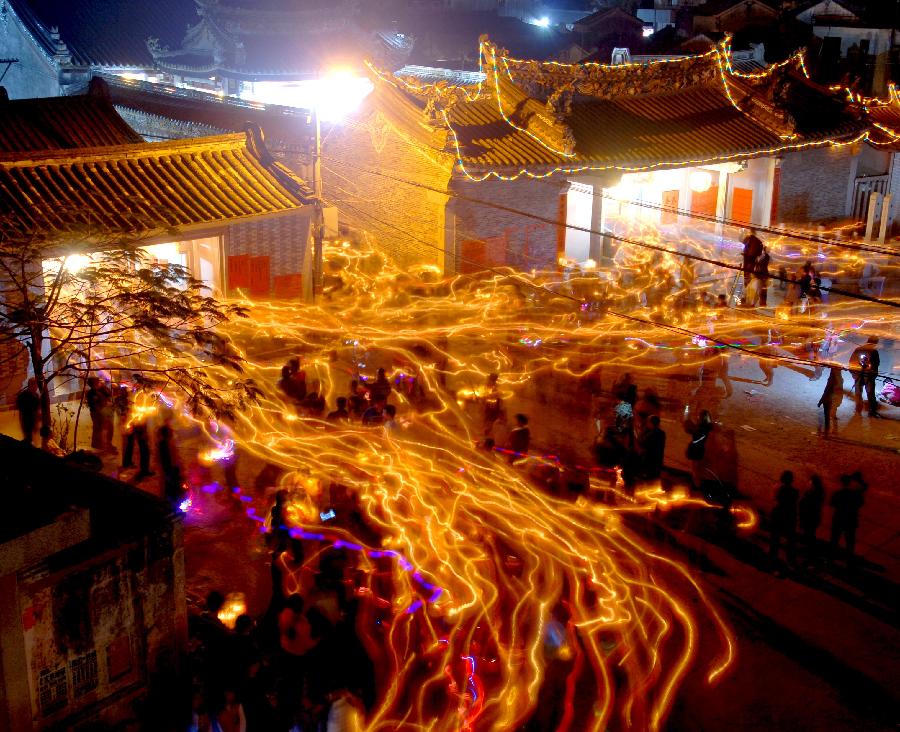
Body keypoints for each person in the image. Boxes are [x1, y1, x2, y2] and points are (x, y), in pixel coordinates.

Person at [830, 472, 868, 564]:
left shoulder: (837, 494)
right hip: (850, 520)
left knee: (834, 540)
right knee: (850, 542)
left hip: (839, 519)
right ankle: (849, 559)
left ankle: (831, 557)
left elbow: (832, 503)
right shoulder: (854, 494)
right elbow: (861, 502)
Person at [119, 386, 153, 477]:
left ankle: (127, 462)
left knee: (131, 444)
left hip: (132, 424)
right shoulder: (133, 399)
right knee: (143, 447)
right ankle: (144, 470)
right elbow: (134, 413)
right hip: (137, 425)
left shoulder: (129, 399)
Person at [769, 470, 799, 568]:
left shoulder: (777, 488)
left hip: (778, 515)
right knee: (790, 539)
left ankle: (773, 558)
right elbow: (794, 503)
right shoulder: (794, 491)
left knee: (775, 538)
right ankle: (790, 560)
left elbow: (774, 499)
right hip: (789, 516)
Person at [850, 336, 880, 417]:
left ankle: (858, 410)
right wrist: (873, 375)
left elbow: (851, 362)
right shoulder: (874, 351)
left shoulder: (858, 349)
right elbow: (876, 365)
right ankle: (872, 411)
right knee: (870, 393)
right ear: (875, 343)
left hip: (858, 375)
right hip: (868, 376)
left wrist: (854, 374)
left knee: (858, 393)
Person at [684, 408, 713, 489]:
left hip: (696, 448)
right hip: (700, 448)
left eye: (699, 415)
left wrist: (687, 419)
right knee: (697, 468)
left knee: (695, 468)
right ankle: (697, 484)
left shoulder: (701, 427)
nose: (698, 416)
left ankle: (697, 486)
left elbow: (692, 431)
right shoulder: (706, 426)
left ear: (702, 417)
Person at [798, 474, 825, 562]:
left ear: (813, 485)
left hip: (808, 518)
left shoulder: (810, 495)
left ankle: (808, 553)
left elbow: (803, 504)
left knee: (808, 535)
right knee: (811, 534)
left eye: (809, 483)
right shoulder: (819, 494)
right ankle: (810, 551)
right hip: (813, 518)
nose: (808, 484)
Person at [817, 365, 844, 435]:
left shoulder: (832, 379)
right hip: (834, 400)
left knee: (827, 415)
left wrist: (821, 400)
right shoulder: (840, 379)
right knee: (832, 415)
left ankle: (826, 431)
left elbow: (827, 390)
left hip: (829, 400)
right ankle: (834, 430)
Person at [15, 378, 40, 445]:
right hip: (26, 421)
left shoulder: (36, 396)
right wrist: (22, 423)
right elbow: (20, 411)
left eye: (37, 386)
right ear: (30, 385)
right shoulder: (22, 396)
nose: (36, 388)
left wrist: (37, 423)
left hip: (33, 420)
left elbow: (37, 410)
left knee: (32, 440)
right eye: (35, 386)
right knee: (28, 439)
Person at [640, 415, 666, 480]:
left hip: (649, 460)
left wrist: (643, 431)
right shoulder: (662, 433)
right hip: (658, 459)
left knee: (649, 477)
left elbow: (642, 443)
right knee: (655, 477)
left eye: (648, 422)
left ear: (651, 423)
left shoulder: (651, 434)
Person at [741, 229, 763, 302]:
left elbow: (743, 243)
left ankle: (745, 292)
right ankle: (747, 292)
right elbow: (759, 252)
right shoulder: (759, 241)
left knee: (746, 274)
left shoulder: (748, 239)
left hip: (747, 258)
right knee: (749, 273)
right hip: (752, 259)